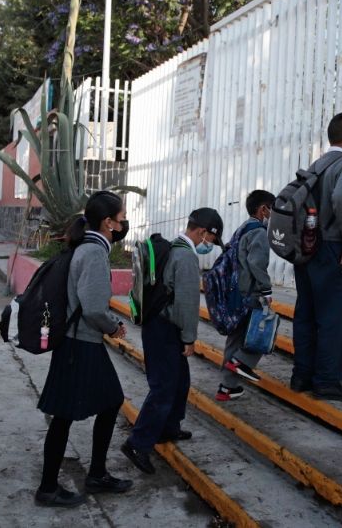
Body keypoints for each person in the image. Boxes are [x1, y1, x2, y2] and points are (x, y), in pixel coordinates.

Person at [35, 191, 133, 507]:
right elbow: (92, 307)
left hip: (78, 342)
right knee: (67, 415)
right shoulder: (93, 253)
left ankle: (96, 474)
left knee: (105, 403)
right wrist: (113, 327)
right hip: (82, 343)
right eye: (121, 219)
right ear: (108, 223)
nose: (123, 224)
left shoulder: (87, 246)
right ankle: (51, 487)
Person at [122, 207, 224, 474]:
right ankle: (138, 443)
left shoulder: (171, 248)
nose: (210, 246)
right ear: (202, 232)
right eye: (211, 240)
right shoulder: (186, 257)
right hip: (167, 329)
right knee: (164, 388)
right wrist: (189, 338)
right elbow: (187, 304)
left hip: (158, 325)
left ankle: (168, 428)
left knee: (179, 381)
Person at [290, 112, 342, 401]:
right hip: (331, 245)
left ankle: (301, 376)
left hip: (305, 247)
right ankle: (327, 381)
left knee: (305, 313)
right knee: (332, 315)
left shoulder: (317, 164)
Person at [216, 190, 275, 401]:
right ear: (263, 210)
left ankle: (226, 388)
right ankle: (243, 362)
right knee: (266, 330)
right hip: (251, 293)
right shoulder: (258, 232)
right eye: (272, 210)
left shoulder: (242, 228)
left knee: (235, 339)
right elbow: (256, 263)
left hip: (235, 293)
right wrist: (266, 290)